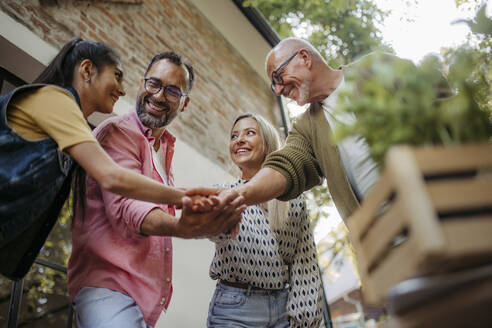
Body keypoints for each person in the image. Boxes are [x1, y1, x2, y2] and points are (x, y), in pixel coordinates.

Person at [0, 38, 230, 280]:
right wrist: (184, 196)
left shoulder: (69, 132)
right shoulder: (57, 101)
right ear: (88, 70)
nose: (123, 89)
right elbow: (112, 177)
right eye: (117, 75)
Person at [67, 51, 245, 328]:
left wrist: (210, 223)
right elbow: (128, 206)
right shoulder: (118, 132)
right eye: (154, 84)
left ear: (184, 105)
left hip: (144, 297)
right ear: (141, 83)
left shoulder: (164, 149)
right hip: (108, 288)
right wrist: (181, 227)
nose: (159, 96)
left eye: (173, 91)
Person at [188, 37, 398, 221]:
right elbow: (286, 166)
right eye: (273, 85)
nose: (279, 90)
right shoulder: (306, 128)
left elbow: (430, 98)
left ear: (305, 58)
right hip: (384, 249)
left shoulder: (374, 69)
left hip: (428, 206)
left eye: (278, 77)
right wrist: (239, 194)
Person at [206, 113, 323, 328]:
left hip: (283, 310)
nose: (239, 140)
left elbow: (304, 261)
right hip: (235, 309)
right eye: (234, 136)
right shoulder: (223, 193)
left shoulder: (293, 198)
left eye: (249, 133)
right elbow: (216, 233)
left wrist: (305, 319)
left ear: (267, 142)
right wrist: (211, 216)